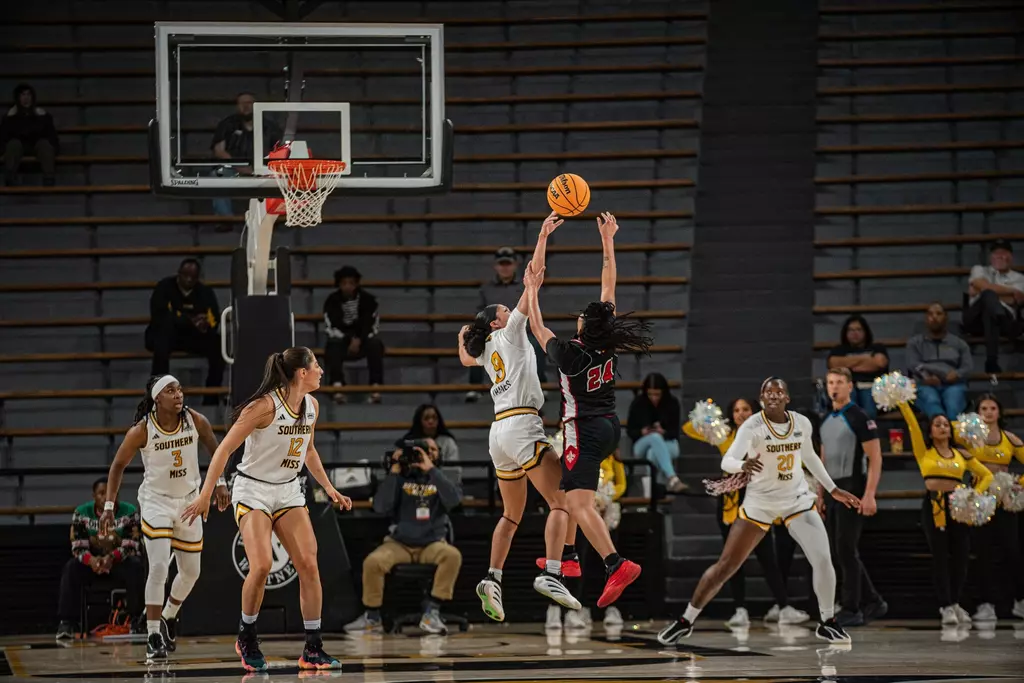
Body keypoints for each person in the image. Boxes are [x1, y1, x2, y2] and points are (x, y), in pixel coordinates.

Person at [182, 347, 353, 672]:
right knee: (260, 565)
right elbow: (224, 450)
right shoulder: (263, 407)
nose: (320, 370)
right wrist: (206, 493)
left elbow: (309, 450)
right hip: (253, 489)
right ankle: (246, 635)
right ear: (301, 373)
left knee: (309, 564)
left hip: (288, 489)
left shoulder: (312, 406)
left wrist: (329, 488)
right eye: (315, 365)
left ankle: (313, 648)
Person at [658, 378, 861, 646]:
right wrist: (743, 464)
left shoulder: (801, 422)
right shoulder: (752, 426)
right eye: (768, 392)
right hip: (760, 503)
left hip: (796, 499)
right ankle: (685, 620)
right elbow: (727, 461)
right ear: (761, 398)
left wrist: (832, 489)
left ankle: (828, 622)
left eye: (779, 392)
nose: (773, 396)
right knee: (726, 566)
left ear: (787, 398)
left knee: (823, 559)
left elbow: (809, 456)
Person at [525, 211, 653, 610]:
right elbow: (609, 281)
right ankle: (571, 558)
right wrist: (608, 240)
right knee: (566, 491)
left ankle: (616, 563)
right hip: (610, 425)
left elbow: (535, 326)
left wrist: (532, 289)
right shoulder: (607, 339)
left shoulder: (569, 353)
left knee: (577, 503)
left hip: (583, 427)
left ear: (582, 325)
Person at [459, 212, 581, 622]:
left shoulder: (482, 349)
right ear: (497, 320)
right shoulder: (510, 332)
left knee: (511, 515)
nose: (512, 308)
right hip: (522, 423)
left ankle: (492, 578)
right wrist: (543, 235)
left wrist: (464, 334)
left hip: (498, 433)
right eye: (505, 308)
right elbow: (536, 272)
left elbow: (464, 353)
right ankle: (550, 572)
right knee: (561, 502)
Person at [99, 375, 231, 659]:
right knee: (159, 567)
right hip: (156, 502)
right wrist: (109, 506)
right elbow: (118, 465)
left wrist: (221, 482)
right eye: (171, 390)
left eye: (180, 389)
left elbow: (217, 450)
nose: (178, 394)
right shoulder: (142, 430)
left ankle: (168, 616)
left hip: (189, 501)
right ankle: (153, 634)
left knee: (191, 572)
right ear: (157, 398)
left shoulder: (196, 420)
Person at [682, 397, 806, 627]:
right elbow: (688, 428)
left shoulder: (764, 436)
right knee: (731, 561)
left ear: (754, 411)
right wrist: (705, 413)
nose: (741, 413)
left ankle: (784, 606)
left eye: (745, 409)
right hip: (731, 504)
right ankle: (740, 610)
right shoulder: (725, 436)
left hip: (758, 501)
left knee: (767, 557)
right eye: (736, 410)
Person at [344, 438, 462, 635]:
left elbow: (454, 501)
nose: (427, 453)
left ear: (438, 454)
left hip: (431, 543)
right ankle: (372, 618)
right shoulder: (400, 477)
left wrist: (431, 470)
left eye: (432, 450)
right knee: (373, 562)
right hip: (400, 544)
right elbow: (380, 506)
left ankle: (432, 612)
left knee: (452, 556)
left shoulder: (442, 476)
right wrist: (395, 470)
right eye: (422, 450)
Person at [895, 392, 993, 625]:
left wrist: (973, 495)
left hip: (959, 506)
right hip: (934, 506)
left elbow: (986, 475)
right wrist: (901, 400)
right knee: (940, 557)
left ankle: (956, 602)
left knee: (961, 556)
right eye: (937, 425)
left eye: (945, 425)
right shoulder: (924, 451)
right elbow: (910, 422)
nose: (942, 427)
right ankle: (945, 605)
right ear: (930, 431)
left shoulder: (962, 454)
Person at [819, 368, 887, 628]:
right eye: (830, 382)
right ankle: (873, 600)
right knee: (838, 551)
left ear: (850, 386)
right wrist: (820, 495)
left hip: (852, 488)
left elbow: (875, 457)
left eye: (839, 382)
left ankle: (852, 607)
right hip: (833, 488)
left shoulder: (859, 417)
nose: (834, 387)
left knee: (846, 549)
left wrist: (869, 494)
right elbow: (822, 460)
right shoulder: (825, 419)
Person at [954, 394, 1024, 622]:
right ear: (978, 412)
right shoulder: (969, 438)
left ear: (999, 412)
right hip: (978, 502)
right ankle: (986, 604)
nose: (988, 412)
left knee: (1012, 550)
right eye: (983, 408)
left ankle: (1020, 601)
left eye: (993, 408)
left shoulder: (1009, 439)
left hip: (1004, 500)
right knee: (981, 552)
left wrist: (1018, 485)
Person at [56, 479, 144, 641]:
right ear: (94, 496)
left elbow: (132, 544)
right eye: (102, 493)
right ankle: (67, 622)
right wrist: (92, 561)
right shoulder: (81, 513)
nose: (106, 498)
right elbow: (77, 546)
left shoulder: (129, 511)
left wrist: (111, 557)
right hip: (92, 564)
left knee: (136, 566)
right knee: (71, 568)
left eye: (111, 493)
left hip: (119, 562)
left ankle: (136, 620)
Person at [466, 246, 548, 403]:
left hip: (522, 331)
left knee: (536, 344)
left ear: (515, 264)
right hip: (493, 332)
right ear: (495, 266)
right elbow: (479, 314)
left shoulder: (523, 286)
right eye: (502, 263)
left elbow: (533, 308)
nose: (505, 267)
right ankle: (474, 387)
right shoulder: (486, 289)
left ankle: (540, 384)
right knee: (475, 342)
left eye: (508, 263)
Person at [145, 259, 224, 402]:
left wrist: (205, 324)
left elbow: (214, 319)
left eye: (193, 276)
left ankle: (211, 396)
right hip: (169, 335)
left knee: (218, 344)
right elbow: (160, 316)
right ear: (179, 274)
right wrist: (189, 320)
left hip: (192, 337)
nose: (188, 279)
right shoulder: (164, 287)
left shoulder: (205, 292)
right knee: (162, 339)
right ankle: (158, 392)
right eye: (185, 275)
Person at [209, 92, 284, 226]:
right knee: (216, 176)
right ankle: (226, 220)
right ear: (237, 107)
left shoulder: (270, 127)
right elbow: (219, 151)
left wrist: (265, 168)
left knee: (283, 177)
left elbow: (281, 151)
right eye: (242, 103)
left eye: (249, 103)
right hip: (233, 169)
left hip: (264, 169)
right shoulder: (227, 124)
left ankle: (273, 219)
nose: (246, 106)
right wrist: (239, 167)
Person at [322, 266, 384, 404]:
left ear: (356, 284)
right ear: (339, 284)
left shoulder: (369, 300)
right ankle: (337, 387)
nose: (348, 287)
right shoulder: (331, 301)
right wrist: (349, 339)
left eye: (351, 283)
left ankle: (376, 387)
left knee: (376, 345)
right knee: (332, 346)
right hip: (342, 340)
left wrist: (359, 340)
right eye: (344, 283)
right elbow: (331, 327)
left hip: (363, 339)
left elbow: (372, 325)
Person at [965, 239, 1024, 374]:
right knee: (988, 296)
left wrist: (983, 288)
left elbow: (1016, 300)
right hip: (976, 319)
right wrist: (1010, 291)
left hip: (1005, 322)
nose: (1000, 257)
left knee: (988, 302)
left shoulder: (1020, 278)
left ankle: (991, 361)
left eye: (1004, 253)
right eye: (996, 253)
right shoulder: (979, 269)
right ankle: (998, 315)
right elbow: (1010, 297)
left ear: (1011, 257)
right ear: (991, 257)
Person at [906, 303, 972, 420]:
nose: (934, 317)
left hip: (953, 383)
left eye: (939, 314)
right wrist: (926, 377)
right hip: (925, 383)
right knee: (931, 399)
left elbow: (967, 367)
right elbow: (913, 364)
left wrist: (957, 374)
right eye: (930, 314)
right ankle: (939, 430)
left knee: (953, 403)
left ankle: (951, 434)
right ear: (926, 319)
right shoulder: (915, 343)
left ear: (946, 318)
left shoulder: (959, 343)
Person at [627, 373, 685, 493]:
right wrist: (642, 432)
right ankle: (672, 478)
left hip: (668, 442)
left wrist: (663, 432)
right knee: (654, 437)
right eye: (650, 394)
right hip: (641, 444)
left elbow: (675, 432)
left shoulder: (672, 403)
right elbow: (630, 431)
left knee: (652, 454)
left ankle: (650, 495)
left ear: (663, 393)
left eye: (657, 394)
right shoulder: (638, 403)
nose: (653, 398)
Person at [826, 315, 889, 419]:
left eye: (859, 330)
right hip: (848, 386)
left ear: (865, 332)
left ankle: (867, 433)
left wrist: (848, 364)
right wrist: (866, 359)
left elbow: (879, 363)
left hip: (872, 387)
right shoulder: (838, 350)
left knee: (868, 407)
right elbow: (833, 364)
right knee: (848, 398)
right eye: (851, 330)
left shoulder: (877, 348)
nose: (855, 333)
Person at [1, 83, 58, 186]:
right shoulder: (9, 117)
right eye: (23, 95)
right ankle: (10, 177)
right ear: (18, 98)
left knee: (45, 144)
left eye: (28, 94)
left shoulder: (43, 115)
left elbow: (52, 136)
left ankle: (49, 178)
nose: (26, 98)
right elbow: (4, 138)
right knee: (13, 144)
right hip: (18, 146)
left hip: (37, 145)